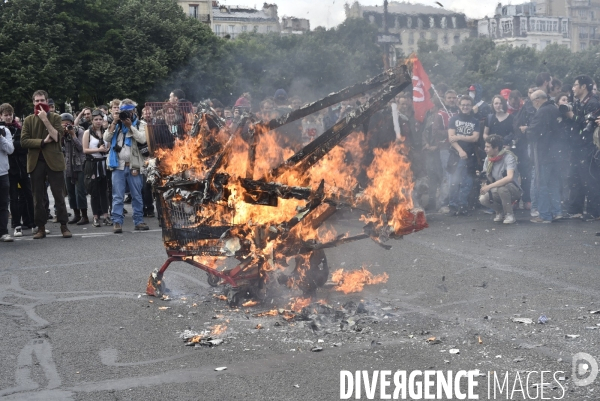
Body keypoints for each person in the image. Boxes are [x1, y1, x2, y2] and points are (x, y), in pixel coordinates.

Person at [20, 90, 72, 239]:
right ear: (33, 103)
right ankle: (40, 227)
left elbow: (56, 137)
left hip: (54, 161)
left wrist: (45, 120)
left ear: (47, 101)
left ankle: (64, 225)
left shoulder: (55, 117)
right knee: (38, 198)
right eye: (36, 101)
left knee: (59, 196)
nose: (39, 103)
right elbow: (24, 141)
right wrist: (42, 142)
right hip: (36, 162)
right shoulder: (29, 120)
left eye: (42, 100)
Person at [103, 99, 149, 233]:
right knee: (117, 196)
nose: (126, 115)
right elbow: (106, 138)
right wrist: (115, 122)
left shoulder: (141, 124)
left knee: (137, 195)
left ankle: (139, 221)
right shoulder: (116, 124)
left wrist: (130, 127)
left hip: (134, 165)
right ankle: (117, 222)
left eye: (128, 112)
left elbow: (142, 138)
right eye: (123, 112)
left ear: (134, 111)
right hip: (118, 165)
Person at [566, 75, 600, 220]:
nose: (573, 88)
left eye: (575, 85)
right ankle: (576, 210)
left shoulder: (593, 103)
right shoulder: (578, 102)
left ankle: (595, 212)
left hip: (588, 147)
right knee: (575, 177)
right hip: (577, 146)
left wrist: (571, 116)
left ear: (583, 86)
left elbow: (587, 125)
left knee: (590, 178)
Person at [527, 90, 563, 223]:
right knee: (553, 184)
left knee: (541, 184)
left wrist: (527, 130)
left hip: (544, 154)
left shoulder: (541, 112)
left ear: (537, 100)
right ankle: (557, 211)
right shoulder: (554, 108)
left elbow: (533, 132)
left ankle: (545, 215)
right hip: (557, 153)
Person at [1, 103, 34, 236]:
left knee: (28, 195)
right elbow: (10, 149)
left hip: (23, 166)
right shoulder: (3, 129)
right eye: (6, 115)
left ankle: (32, 222)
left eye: (10, 115)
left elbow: (25, 144)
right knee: (13, 198)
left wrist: (16, 146)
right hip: (9, 169)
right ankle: (16, 224)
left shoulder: (18, 128)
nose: (9, 117)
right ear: (1, 116)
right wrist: (17, 145)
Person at [447, 96, 480, 215]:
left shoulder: (475, 121)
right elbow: (451, 138)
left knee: (467, 182)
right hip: (456, 155)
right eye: (463, 105)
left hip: (471, 156)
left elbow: (475, 138)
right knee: (454, 181)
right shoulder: (453, 119)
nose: (465, 107)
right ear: (459, 106)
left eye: (468, 105)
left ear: (471, 107)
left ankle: (463, 205)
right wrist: (460, 150)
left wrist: (459, 136)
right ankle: (453, 205)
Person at [479, 134, 521, 224]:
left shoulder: (508, 157)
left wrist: (489, 186)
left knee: (502, 188)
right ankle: (500, 211)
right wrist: (484, 184)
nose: (485, 149)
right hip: (496, 188)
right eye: (485, 146)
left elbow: (509, 178)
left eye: (488, 147)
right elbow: (485, 176)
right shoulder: (488, 159)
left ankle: (509, 214)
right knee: (483, 198)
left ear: (496, 148)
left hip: (513, 189)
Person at [83, 109, 112, 227]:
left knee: (104, 191)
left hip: (103, 163)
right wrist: (98, 150)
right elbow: (85, 149)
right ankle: (95, 216)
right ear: (92, 120)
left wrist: (106, 149)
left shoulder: (106, 132)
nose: (98, 121)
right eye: (96, 119)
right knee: (94, 191)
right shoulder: (87, 132)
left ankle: (106, 215)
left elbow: (109, 145)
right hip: (92, 163)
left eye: (100, 119)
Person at [432, 90, 459, 212]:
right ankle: (443, 203)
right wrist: (451, 132)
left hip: (459, 148)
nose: (452, 100)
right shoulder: (440, 114)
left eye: (454, 97)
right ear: (445, 99)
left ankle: (454, 201)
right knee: (448, 175)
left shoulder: (459, 112)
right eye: (449, 98)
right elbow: (435, 131)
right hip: (446, 148)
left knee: (458, 176)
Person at [61, 113, 89, 225]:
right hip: (67, 165)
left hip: (79, 165)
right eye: (63, 124)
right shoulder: (61, 134)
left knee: (80, 191)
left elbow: (81, 148)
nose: (66, 126)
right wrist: (62, 134)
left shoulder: (79, 131)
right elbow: (59, 147)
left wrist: (73, 135)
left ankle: (85, 215)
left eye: (68, 123)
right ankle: (76, 214)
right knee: (70, 191)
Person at [0, 119, 14, 242]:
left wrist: (1, 137)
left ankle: (3, 232)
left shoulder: (5, 131)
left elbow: (10, 149)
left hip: (2, 173)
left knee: (3, 204)